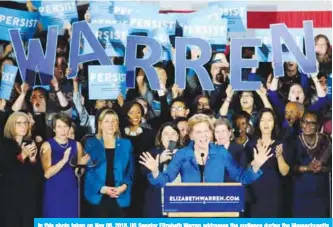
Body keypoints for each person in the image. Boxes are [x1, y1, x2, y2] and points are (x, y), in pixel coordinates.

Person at [140, 114, 272, 188]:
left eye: (206, 131)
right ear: (191, 135)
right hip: (189, 213)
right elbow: (164, 181)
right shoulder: (181, 155)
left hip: (216, 212)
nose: (204, 135)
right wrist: (155, 171)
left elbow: (242, 178)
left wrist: (256, 166)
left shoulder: (221, 153)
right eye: (198, 132)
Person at [84, 109, 134, 218]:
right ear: (100, 124)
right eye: (106, 121)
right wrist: (102, 188)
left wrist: (124, 186)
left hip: (120, 196)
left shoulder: (126, 144)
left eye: (114, 121)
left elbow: (130, 171)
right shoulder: (91, 143)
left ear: (117, 124)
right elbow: (88, 171)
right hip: (98, 195)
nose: (110, 124)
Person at [41, 113, 89, 217]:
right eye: (59, 127)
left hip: (71, 190)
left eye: (65, 126)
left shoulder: (77, 145)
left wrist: (81, 165)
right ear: (54, 129)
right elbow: (47, 174)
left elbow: (79, 172)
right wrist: (64, 160)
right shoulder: (47, 145)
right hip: (54, 191)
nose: (63, 130)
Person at [244, 108, 290, 217]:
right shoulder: (251, 145)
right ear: (258, 123)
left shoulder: (280, 145)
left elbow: (285, 172)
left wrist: (279, 156)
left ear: (274, 123)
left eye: (269, 120)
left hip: (274, 191)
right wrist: (257, 159)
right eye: (262, 120)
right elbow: (245, 171)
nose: (266, 124)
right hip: (255, 191)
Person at [0, 112, 42, 227]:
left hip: (29, 198)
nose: (23, 126)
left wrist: (33, 160)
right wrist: (22, 156)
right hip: (10, 200)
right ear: (11, 125)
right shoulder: (4, 145)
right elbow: (6, 172)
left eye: (25, 123)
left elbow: (39, 177)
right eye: (19, 123)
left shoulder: (29, 143)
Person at [292, 111, 331, 217]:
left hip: (321, 194)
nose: (307, 125)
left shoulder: (325, 140)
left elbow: (330, 167)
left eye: (312, 123)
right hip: (300, 193)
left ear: (318, 126)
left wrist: (321, 168)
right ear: (301, 124)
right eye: (305, 122)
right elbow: (290, 169)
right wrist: (306, 168)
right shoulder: (294, 141)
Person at [121, 101, 155, 217]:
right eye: (131, 113)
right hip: (123, 178)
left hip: (143, 179)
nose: (136, 116)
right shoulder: (120, 134)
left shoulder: (150, 134)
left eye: (139, 112)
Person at [143, 122, 182, 217]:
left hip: (180, 203)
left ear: (178, 137)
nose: (170, 137)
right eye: (166, 134)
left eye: (173, 134)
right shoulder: (152, 153)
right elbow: (143, 173)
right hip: (157, 204)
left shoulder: (185, 153)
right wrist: (159, 160)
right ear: (160, 137)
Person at [214, 118, 246, 182]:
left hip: (234, 188)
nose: (220, 135)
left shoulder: (239, 150)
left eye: (223, 131)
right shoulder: (210, 151)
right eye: (217, 132)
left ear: (229, 132)